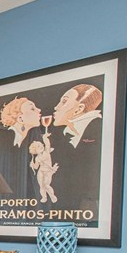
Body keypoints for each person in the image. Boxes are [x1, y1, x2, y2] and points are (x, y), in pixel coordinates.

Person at [50, 84, 103, 216]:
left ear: (79, 108)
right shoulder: (64, 137)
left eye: (64, 101)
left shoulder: (99, 131)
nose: (56, 107)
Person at [0, 96, 44, 200]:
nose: (39, 110)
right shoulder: (2, 138)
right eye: (32, 109)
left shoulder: (25, 141)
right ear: (20, 119)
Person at [28, 131, 59, 204]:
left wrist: (45, 137)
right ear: (35, 151)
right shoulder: (37, 158)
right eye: (38, 147)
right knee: (41, 185)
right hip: (41, 171)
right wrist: (32, 165)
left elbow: (47, 144)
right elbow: (36, 167)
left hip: (48, 171)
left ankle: (52, 196)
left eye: (40, 145)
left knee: (46, 185)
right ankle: (44, 197)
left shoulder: (46, 152)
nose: (41, 146)